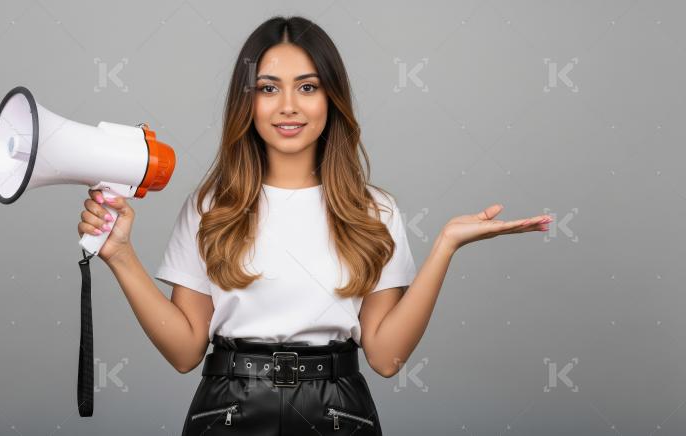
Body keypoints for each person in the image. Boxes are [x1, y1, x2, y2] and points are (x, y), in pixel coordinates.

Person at [76, 15, 551, 436]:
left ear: (331, 98)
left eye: (307, 86)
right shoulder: (209, 207)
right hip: (227, 412)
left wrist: (445, 245)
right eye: (268, 88)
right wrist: (120, 255)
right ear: (248, 102)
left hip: (339, 414)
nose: (288, 106)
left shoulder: (375, 211)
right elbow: (184, 352)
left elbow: (386, 358)